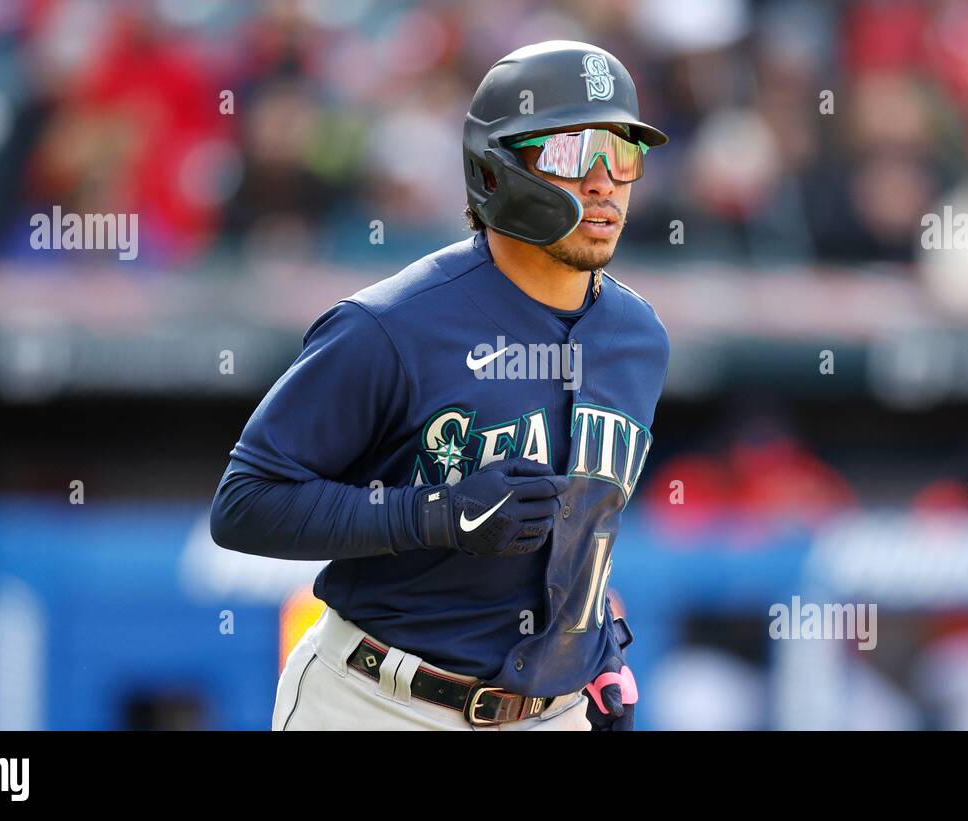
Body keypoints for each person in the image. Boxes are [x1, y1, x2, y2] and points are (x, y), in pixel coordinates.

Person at [210, 40, 671, 730]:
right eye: (575, 154)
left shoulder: (638, 338)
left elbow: (585, 529)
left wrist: (598, 651)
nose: (605, 181)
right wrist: (432, 514)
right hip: (376, 700)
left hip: (553, 712)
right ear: (497, 167)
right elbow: (244, 503)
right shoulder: (389, 326)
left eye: (624, 152)